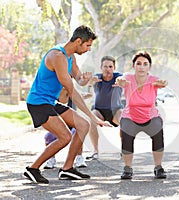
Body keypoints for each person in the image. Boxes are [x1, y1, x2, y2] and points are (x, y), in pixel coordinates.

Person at [24, 25, 111, 184]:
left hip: (50, 101)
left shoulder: (71, 57)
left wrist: (85, 80)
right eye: (87, 45)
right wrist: (94, 117)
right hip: (38, 103)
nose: (89, 49)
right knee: (64, 137)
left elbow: (78, 80)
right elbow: (72, 91)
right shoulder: (58, 56)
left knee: (83, 125)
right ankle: (33, 168)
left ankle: (67, 169)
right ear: (78, 41)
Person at [115, 51, 168, 179]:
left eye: (145, 64)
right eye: (138, 63)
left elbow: (163, 83)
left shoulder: (153, 80)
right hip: (131, 117)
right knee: (126, 133)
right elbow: (120, 80)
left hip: (150, 116)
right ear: (134, 66)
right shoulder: (128, 77)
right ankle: (127, 168)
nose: (141, 67)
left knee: (158, 131)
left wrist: (163, 83)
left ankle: (158, 167)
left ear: (149, 67)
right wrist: (120, 81)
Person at [86, 56, 123, 160]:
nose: (108, 69)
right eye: (105, 66)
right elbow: (89, 83)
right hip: (99, 110)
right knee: (91, 119)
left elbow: (124, 80)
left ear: (114, 67)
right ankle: (95, 151)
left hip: (115, 110)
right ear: (101, 67)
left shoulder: (119, 77)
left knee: (125, 120)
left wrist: (121, 81)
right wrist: (90, 82)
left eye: (110, 66)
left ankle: (124, 150)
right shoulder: (97, 78)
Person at [43, 88, 88, 169]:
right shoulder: (53, 96)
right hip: (58, 125)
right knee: (48, 136)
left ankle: (79, 157)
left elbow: (80, 96)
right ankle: (51, 159)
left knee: (79, 132)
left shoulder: (72, 93)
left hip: (72, 125)